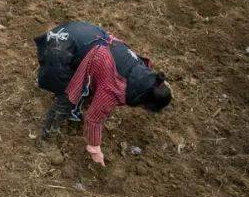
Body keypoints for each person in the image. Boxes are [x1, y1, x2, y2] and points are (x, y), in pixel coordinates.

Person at [33, 21, 172, 166]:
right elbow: (93, 119)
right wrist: (95, 149)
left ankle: (74, 109)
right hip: (60, 48)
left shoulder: (142, 70)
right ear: (145, 101)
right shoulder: (115, 88)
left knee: (83, 88)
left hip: (85, 36)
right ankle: (46, 139)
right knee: (66, 97)